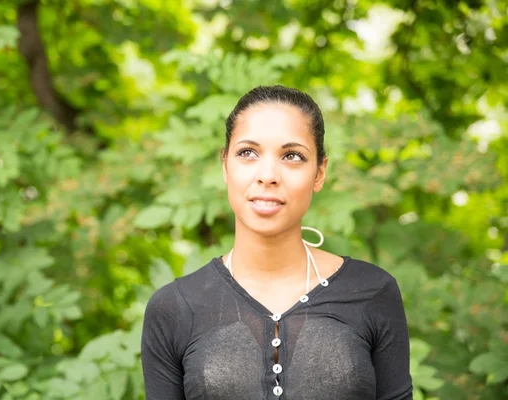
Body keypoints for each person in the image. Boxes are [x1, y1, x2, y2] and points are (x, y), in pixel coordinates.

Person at [141, 85, 412, 399]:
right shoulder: (174, 308)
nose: (267, 175)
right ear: (225, 164)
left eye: (292, 156)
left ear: (319, 172)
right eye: (248, 153)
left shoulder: (373, 293)